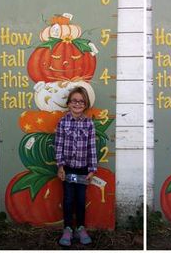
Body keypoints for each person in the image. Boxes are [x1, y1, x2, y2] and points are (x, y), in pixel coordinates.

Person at [55, 86, 97, 246]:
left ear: (85, 104)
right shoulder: (62, 122)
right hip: (67, 169)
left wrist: (92, 169)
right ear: (68, 103)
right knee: (67, 199)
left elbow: (91, 147)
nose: (77, 104)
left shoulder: (89, 124)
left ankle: (80, 228)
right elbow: (58, 145)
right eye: (74, 101)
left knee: (80, 199)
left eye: (81, 101)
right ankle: (67, 228)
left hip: (83, 169)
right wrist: (60, 166)